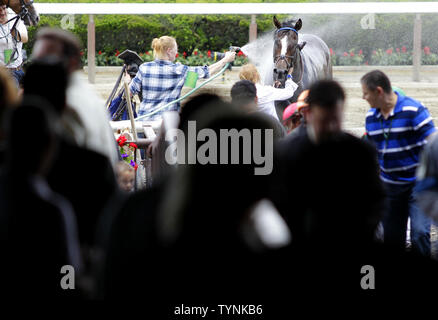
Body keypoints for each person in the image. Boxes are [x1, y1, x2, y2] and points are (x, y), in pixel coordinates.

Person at [361, 69, 436, 257]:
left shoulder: (413, 110)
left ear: (378, 91)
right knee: (392, 240)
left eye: (366, 93)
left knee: (419, 233)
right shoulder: (371, 118)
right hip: (391, 189)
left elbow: (434, 143)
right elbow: (369, 151)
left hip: (417, 186)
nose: (363, 97)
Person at [31, 27, 119, 168]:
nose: (37, 69)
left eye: (46, 60)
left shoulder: (67, 105)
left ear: (71, 62)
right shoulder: (87, 93)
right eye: (36, 62)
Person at [125, 35, 236, 121]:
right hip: (165, 125)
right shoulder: (178, 70)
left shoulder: (144, 68)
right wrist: (225, 60)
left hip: (143, 121)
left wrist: (127, 82)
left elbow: (128, 94)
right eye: (175, 49)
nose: (177, 52)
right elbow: (206, 72)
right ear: (169, 50)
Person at [0, 5, 27, 87]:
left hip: (19, 70)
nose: (3, 12)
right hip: (4, 73)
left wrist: (15, 33)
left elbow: (25, 38)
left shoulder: (16, 20)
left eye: (4, 8)